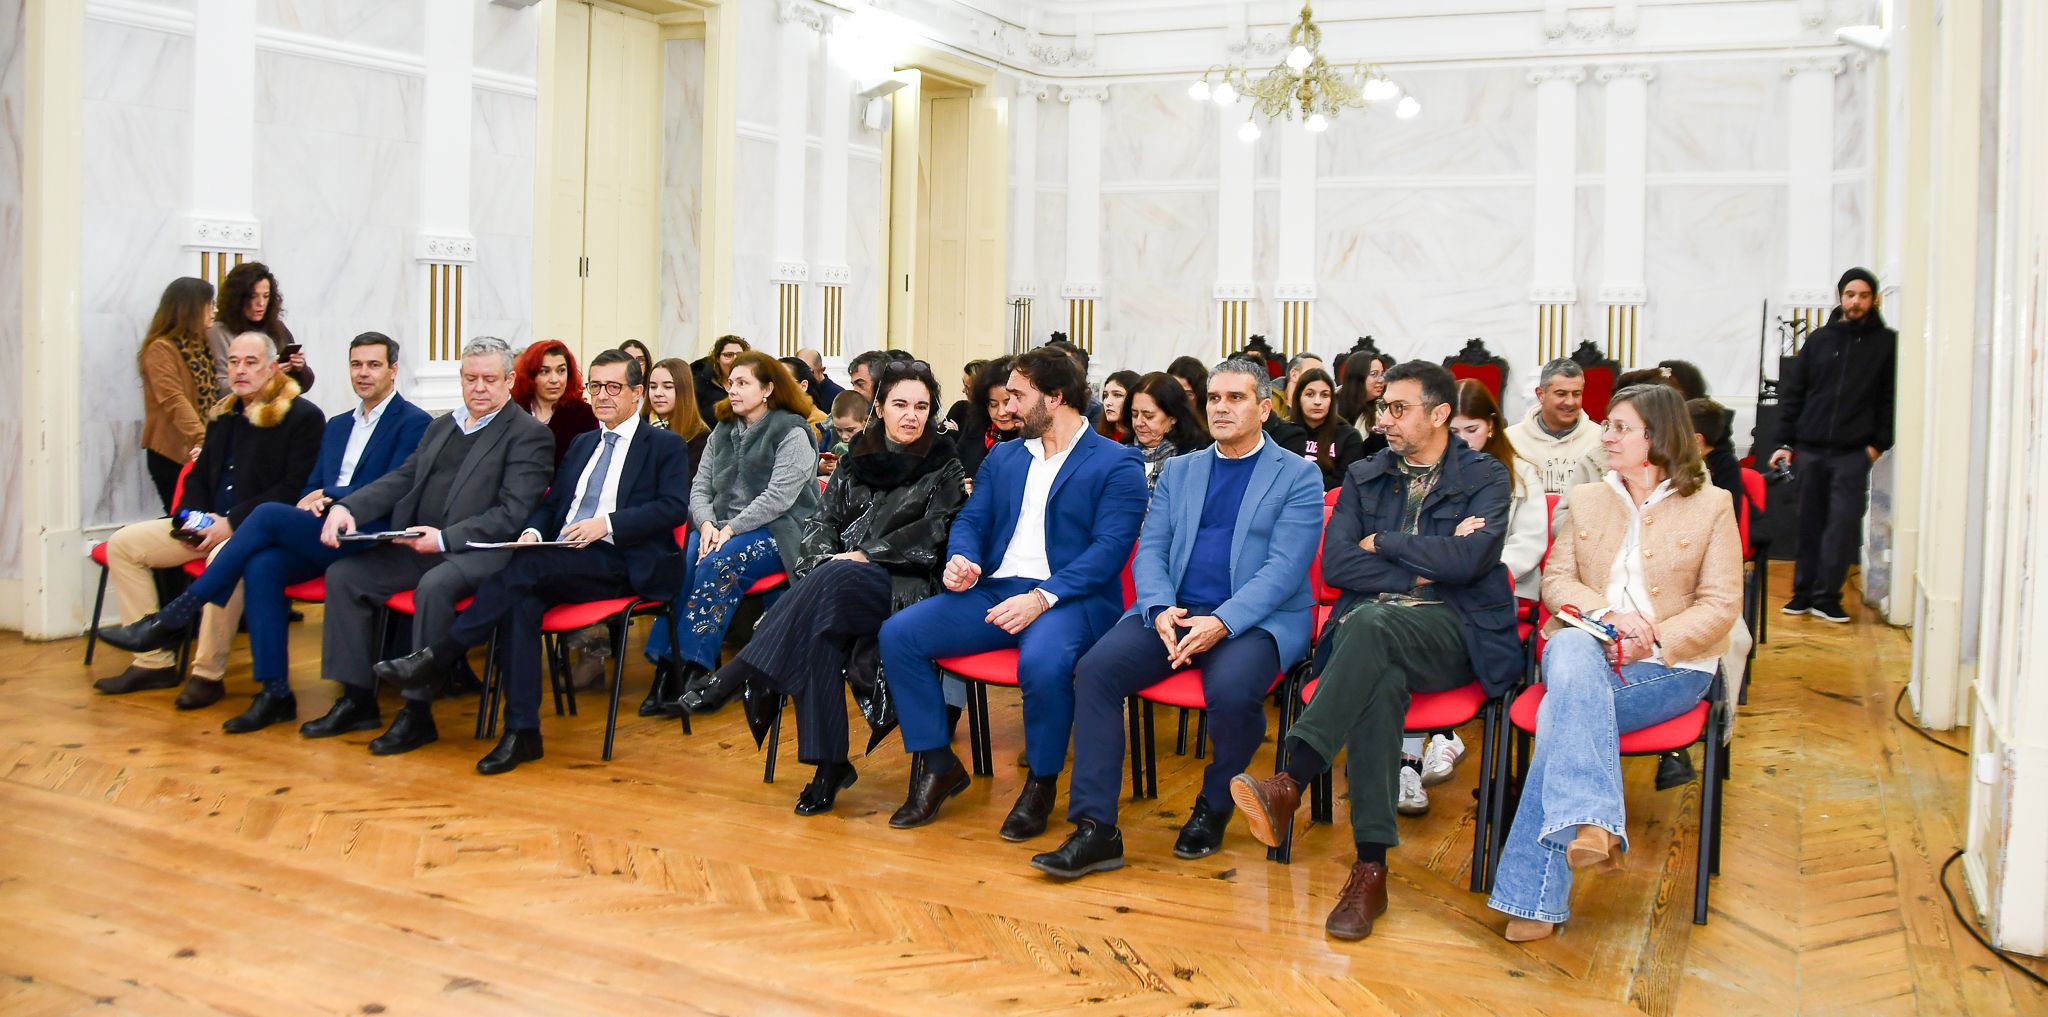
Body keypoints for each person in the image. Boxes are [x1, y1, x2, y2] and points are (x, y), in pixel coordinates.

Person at [1228, 360, 1520, 942]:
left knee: (1370, 625)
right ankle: (1371, 870)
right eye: (1383, 407)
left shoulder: (1485, 476)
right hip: (1369, 629)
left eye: (1398, 408)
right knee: (1377, 670)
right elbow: (1338, 565)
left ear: (1439, 414)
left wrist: (1384, 542)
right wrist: (1427, 563)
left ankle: (1291, 781)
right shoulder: (1365, 474)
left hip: (1452, 629)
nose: (1384, 419)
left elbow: (1471, 562)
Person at [1031, 360, 1323, 878]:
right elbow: (1152, 548)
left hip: (1256, 619)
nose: (1221, 408)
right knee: (1095, 671)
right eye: (1214, 398)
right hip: (1175, 611)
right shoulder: (1181, 470)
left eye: (1235, 398)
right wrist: (1159, 606)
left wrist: (1223, 622)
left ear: (1264, 408)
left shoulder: (1298, 474)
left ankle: (1215, 803)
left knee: (1232, 689)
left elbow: (1284, 570)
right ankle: (1096, 829)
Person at [1485, 383, 1742, 941]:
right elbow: (1557, 582)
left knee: (1558, 717)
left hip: (1670, 667)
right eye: (1608, 426)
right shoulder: (1588, 498)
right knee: (1571, 647)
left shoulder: (1711, 504)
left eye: (1620, 427)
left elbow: (1721, 605)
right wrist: (1608, 617)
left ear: (1659, 436)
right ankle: (1591, 825)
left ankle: (1540, 892)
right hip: (1585, 649)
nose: (1606, 436)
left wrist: (1653, 640)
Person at [372, 350, 694, 773]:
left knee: (524, 569)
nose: (602, 395)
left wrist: (606, 524)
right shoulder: (583, 443)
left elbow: (672, 508)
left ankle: (440, 655)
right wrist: (534, 533)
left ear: (637, 393)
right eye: (595, 386)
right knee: (520, 600)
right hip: (562, 558)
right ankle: (522, 732)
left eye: (613, 387)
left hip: (623, 560)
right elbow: (552, 504)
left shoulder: (664, 445)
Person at [878, 348, 1148, 838]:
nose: (1008, 408)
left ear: (1055, 397)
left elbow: (1109, 551)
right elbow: (972, 520)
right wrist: (964, 559)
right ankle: (938, 763)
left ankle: (1041, 784)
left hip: (1070, 599)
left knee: (1042, 663)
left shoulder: (1117, 462)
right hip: (996, 590)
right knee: (900, 634)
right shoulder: (1004, 456)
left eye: (1019, 397)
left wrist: (1043, 598)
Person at [97, 333, 431, 728]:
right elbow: (310, 483)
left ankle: (174, 616)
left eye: (374, 365)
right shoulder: (339, 424)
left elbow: (394, 485)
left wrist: (332, 496)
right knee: (261, 566)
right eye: (356, 364)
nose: (363, 373)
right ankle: (275, 693)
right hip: (321, 528)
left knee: (269, 514)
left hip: (368, 532)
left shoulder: (415, 422)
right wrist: (311, 498)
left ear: (393, 370)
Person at [698, 361, 970, 813]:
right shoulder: (855, 458)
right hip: (838, 586)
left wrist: (865, 555)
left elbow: (934, 533)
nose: (911, 415)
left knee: (831, 582)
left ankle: (740, 671)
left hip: (905, 586)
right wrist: (828, 561)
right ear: (878, 408)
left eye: (922, 407)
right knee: (819, 629)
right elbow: (821, 523)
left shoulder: (945, 465)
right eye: (900, 404)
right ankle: (829, 765)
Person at [300, 336, 554, 754]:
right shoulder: (442, 426)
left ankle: (417, 713)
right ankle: (357, 699)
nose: (478, 387)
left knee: (435, 586)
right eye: (470, 378)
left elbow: (511, 514)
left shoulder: (529, 435)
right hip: (422, 545)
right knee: (345, 575)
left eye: (490, 379)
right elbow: (402, 478)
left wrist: (445, 538)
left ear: (510, 380)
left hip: (481, 552)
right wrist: (348, 507)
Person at [93, 332, 324, 702]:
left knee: (223, 558)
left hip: (254, 531)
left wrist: (229, 524)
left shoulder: (302, 416)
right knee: (123, 544)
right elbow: (198, 477)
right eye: (233, 361)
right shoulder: (223, 413)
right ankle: (153, 663)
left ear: (272, 367)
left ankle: (207, 674)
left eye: (250, 362)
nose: (240, 370)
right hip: (207, 524)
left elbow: (293, 488)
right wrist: (192, 521)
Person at [665, 352, 822, 711]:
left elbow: (779, 498)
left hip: (782, 532)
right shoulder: (723, 429)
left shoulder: (792, 431)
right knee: (685, 556)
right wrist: (707, 524)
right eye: (730, 383)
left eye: (742, 383)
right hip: (721, 528)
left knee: (720, 559)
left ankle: (695, 670)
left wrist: (731, 529)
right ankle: (667, 665)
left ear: (767, 389)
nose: (732, 390)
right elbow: (700, 486)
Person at [1768, 267, 1897, 624]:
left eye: (1863, 295)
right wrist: (1784, 442)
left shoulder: (1887, 343)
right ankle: (1802, 594)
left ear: (1875, 300)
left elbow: (1890, 399)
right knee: (1808, 524)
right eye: (1850, 294)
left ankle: (1827, 597)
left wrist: (1876, 446)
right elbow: (1794, 394)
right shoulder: (1819, 340)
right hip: (1810, 451)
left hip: (1852, 454)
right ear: (1840, 297)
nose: (1856, 302)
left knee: (1841, 527)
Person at [635, 355, 716, 712]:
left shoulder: (701, 439)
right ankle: (671, 668)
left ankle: (666, 668)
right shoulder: (638, 433)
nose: (658, 393)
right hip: (641, 528)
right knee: (683, 558)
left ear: (683, 391)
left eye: (668, 386)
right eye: (653, 386)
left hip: (679, 525)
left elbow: (689, 499)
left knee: (686, 557)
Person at [136, 277, 218, 512]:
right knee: (185, 520)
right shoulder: (160, 348)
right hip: (172, 453)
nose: (214, 311)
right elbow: (174, 400)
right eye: (210, 304)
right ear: (190, 308)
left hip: (201, 449)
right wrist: (201, 438)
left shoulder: (201, 344)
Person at [208, 261, 313, 395]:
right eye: (253, 296)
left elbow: (303, 386)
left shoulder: (277, 328)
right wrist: (268, 377)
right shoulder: (219, 332)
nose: (261, 303)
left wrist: (299, 368)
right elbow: (220, 388)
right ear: (237, 298)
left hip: (281, 402)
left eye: (266, 296)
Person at [1507, 358, 1603, 494]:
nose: (1570, 402)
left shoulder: (1599, 439)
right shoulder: (1511, 440)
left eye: (1576, 394)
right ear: (1540, 394)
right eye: (1561, 394)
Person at [512, 339, 599, 469]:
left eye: (561, 371)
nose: (554, 380)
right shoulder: (514, 412)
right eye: (544, 371)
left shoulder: (584, 415)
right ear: (530, 376)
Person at [1123, 372, 1207, 490]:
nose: (1138, 423)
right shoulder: (1122, 453)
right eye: (1134, 414)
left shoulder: (1194, 458)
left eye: (1149, 416)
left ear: (1173, 418)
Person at [1290, 367, 1367, 491]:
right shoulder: (1285, 432)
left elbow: (1347, 481)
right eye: (1310, 394)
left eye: (1324, 395)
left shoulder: (1349, 436)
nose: (1317, 402)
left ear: (1332, 400)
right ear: (1298, 398)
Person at [956, 356, 1020, 485]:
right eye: (993, 404)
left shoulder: (1035, 440)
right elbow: (955, 467)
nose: (1001, 412)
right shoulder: (975, 429)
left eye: (1007, 402)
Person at [1334, 351, 1393, 459]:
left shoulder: (1382, 409)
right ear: (1357, 378)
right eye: (1374, 374)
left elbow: (1378, 456)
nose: (1381, 380)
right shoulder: (1331, 404)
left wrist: (1378, 432)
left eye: (1382, 374)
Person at [692, 335, 751, 427]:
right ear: (717, 358)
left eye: (740, 355)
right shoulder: (700, 384)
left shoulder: (753, 383)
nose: (735, 359)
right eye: (728, 355)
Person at [817, 391, 868, 478]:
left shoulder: (874, 447)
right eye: (839, 430)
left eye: (850, 430)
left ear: (866, 421)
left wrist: (841, 470)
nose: (844, 436)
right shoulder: (831, 439)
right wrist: (821, 468)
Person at [1272, 353, 1324, 422]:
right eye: (1314, 373)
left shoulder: (1324, 402)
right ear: (1294, 375)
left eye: (1323, 374)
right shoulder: (1266, 396)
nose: (1321, 378)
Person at [1095, 370, 1139, 443]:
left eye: (1117, 395)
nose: (1108, 402)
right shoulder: (1098, 436)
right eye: (1106, 395)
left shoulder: (1142, 441)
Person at [945, 359, 986, 433]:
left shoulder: (994, 418)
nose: (963, 391)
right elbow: (941, 433)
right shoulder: (960, 408)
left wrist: (955, 434)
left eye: (967, 387)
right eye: (964, 385)